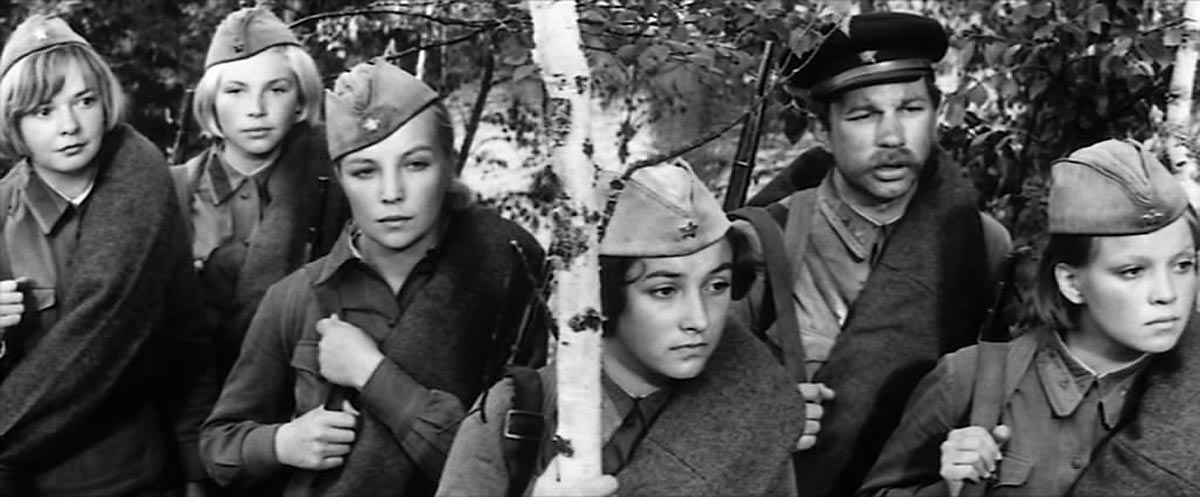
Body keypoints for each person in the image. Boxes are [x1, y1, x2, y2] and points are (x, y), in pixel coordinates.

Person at [198, 60, 547, 497]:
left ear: (448, 165)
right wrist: (283, 442)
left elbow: (512, 463)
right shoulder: (297, 297)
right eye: (365, 171)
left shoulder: (504, 273)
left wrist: (372, 373)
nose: (391, 193)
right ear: (340, 178)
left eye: (415, 165)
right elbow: (219, 447)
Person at [733, 12, 1013, 497]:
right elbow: (688, 397)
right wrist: (757, 412)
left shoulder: (982, 245)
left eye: (910, 109)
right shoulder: (764, 242)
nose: (892, 137)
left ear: (936, 113)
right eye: (863, 115)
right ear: (823, 131)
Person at [436, 162, 806, 497]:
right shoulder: (514, 413)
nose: (699, 319)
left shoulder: (754, 413)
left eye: (717, 286)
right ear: (601, 296)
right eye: (665, 290)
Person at [858, 139, 1199, 496]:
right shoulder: (967, 381)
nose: (1167, 294)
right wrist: (947, 490)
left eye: (1183, 265)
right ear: (1071, 283)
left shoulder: (1190, 386)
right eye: (1132, 271)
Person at [0, 14, 215, 497]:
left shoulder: (146, 195)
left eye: (85, 101)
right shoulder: (1, 217)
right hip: (33, 480)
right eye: (43, 111)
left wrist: (195, 473)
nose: (70, 126)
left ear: (105, 103)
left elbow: (186, 340)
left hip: (139, 473)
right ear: (15, 124)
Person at [172, 5, 346, 377]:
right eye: (236, 91)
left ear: (300, 100)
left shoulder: (333, 186)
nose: (256, 109)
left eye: (276, 89)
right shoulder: (171, 192)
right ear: (211, 103)